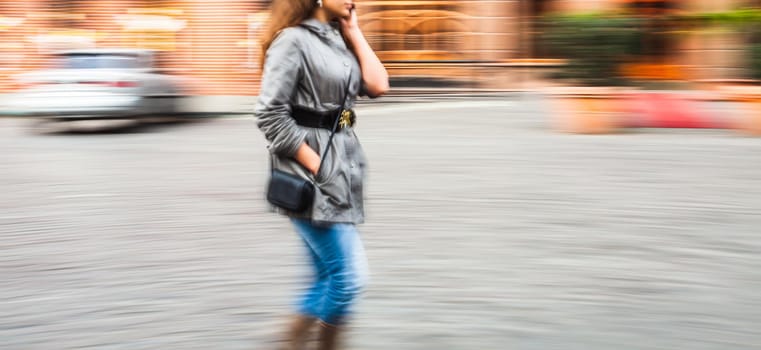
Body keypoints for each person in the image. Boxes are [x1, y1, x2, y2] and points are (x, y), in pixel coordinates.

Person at [255, 0, 389, 349]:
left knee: (325, 278)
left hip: (343, 165)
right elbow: (270, 115)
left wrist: (354, 32)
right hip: (310, 172)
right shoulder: (291, 41)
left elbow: (378, 85)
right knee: (349, 279)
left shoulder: (336, 39)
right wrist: (317, 165)